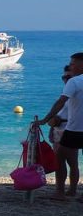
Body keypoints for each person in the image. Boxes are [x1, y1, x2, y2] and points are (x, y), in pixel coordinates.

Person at [35, 53, 83, 200]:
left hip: (76, 129)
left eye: (73, 63)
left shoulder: (75, 82)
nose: (71, 66)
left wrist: (45, 119)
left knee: (60, 156)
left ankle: (60, 192)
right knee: (71, 161)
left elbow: (60, 102)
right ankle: (73, 191)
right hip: (75, 128)